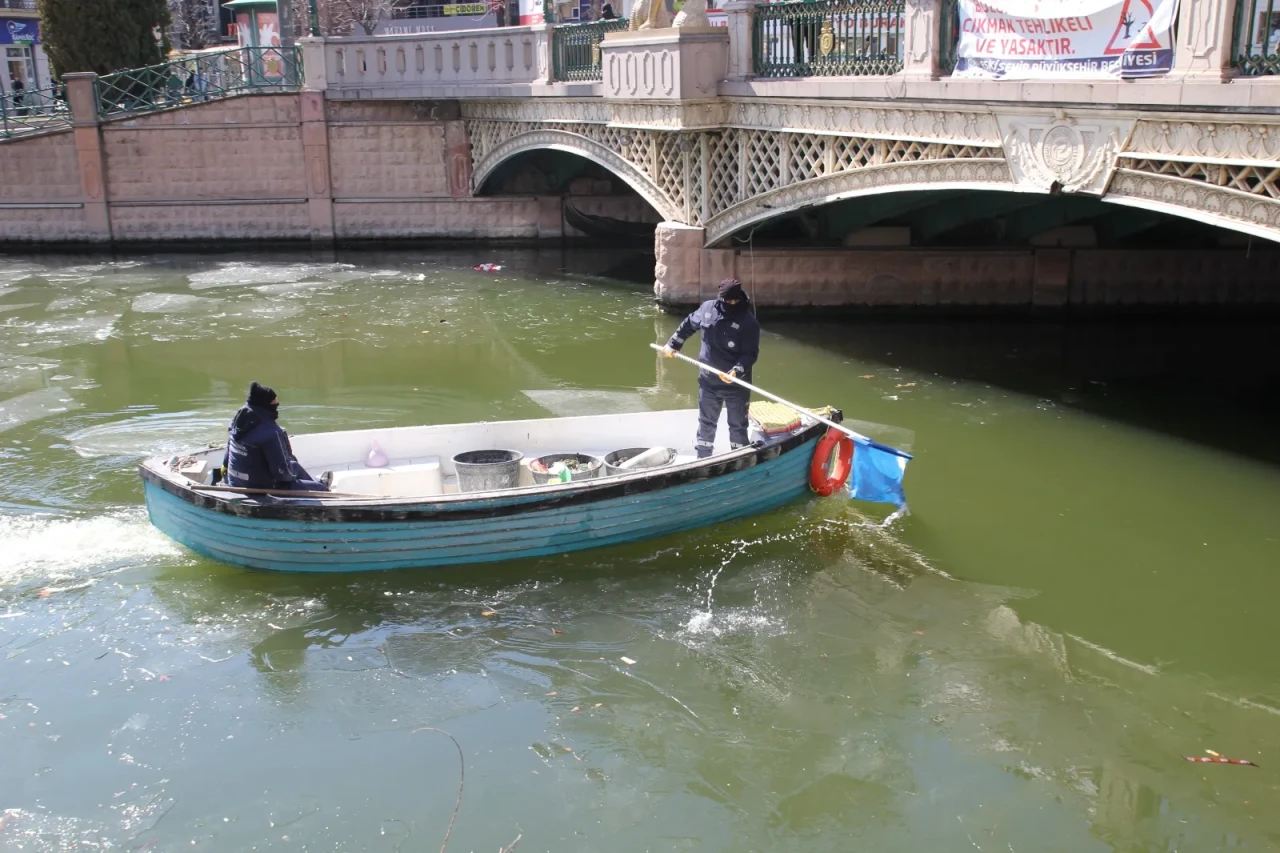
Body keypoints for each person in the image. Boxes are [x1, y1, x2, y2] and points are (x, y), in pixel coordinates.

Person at [661, 279, 760, 458]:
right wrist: (674, 344)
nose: (730, 304)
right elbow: (689, 324)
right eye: (727, 301)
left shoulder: (748, 322)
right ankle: (703, 457)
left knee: (737, 426)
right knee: (706, 423)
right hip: (708, 381)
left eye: (734, 301)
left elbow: (750, 354)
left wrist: (736, 370)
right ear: (720, 298)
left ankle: (739, 458)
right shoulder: (707, 309)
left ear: (739, 299)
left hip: (736, 385)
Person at [220, 382, 328, 492]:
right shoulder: (271, 433)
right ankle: (321, 486)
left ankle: (319, 482)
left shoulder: (237, 421)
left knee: (294, 466)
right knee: (319, 489)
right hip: (261, 488)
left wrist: (224, 465)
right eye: (275, 403)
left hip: (234, 481)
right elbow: (283, 474)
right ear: (266, 405)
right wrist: (293, 478)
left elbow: (228, 450)